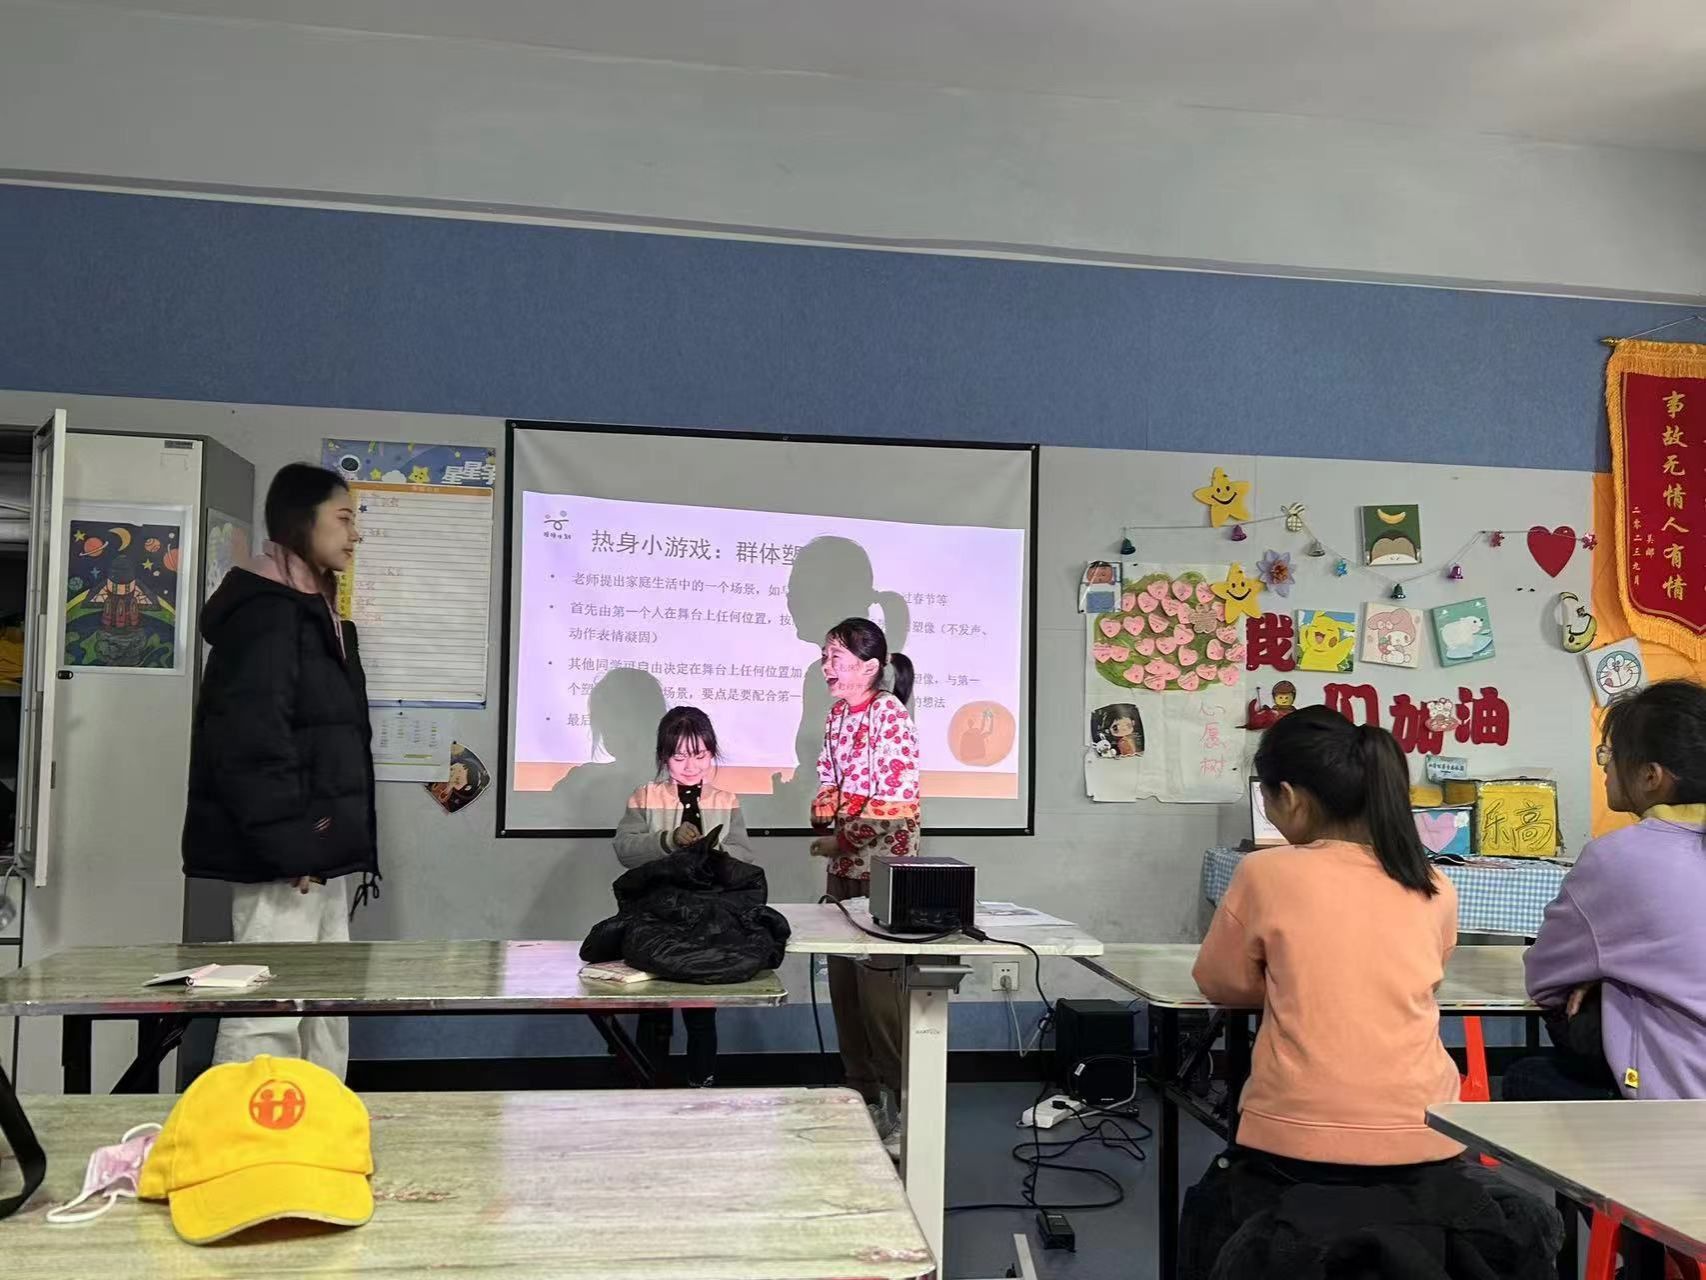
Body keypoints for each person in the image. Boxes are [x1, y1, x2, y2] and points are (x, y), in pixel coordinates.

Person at [1180, 707, 1558, 1278]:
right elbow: (1423, 974)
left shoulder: (1266, 872)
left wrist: (1291, 982)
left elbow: (1221, 981)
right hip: (1429, 1133)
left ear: (1291, 798)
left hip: (1295, 1140)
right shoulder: (1433, 883)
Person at [183, 464, 375, 1078]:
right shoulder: (268, 615)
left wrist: (319, 842)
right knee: (269, 1008)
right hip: (286, 856)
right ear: (301, 523)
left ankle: (322, 1123)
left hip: (315, 847)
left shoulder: (316, 612)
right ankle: (246, 1130)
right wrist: (294, 845)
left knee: (325, 1003)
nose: (355, 534)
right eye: (343, 518)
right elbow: (249, 745)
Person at [1513, 679, 1706, 1104]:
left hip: (1678, 1107)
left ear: (1651, 776)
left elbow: (1543, 980)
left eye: (1610, 755)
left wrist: (1604, 980)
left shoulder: (1619, 857)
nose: (1605, 768)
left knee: (1525, 1078)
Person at [811, 617, 920, 1156]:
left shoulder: (889, 714)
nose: (826, 667)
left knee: (880, 998)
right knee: (843, 987)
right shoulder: (837, 715)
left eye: (836, 657)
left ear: (870, 666)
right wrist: (823, 807)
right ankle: (863, 1098)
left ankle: (904, 1110)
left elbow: (895, 804)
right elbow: (828, 777)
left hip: (884, 875)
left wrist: (840, 838)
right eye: (825, 656)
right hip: (844, 871)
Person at [613, 706, 753, 1086]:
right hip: (655, 918)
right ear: (663, 756)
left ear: (711, 753)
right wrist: (668, 840)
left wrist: (716, 851)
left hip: (706, 919)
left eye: (700, 755)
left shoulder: (726, 799)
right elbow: (625, 849)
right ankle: (648, 1085)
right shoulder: (645, 796)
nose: (690, 766)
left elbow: (744, 854)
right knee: (654, 1009)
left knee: (701, 1011)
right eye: (679, 757)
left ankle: (701, 1083)